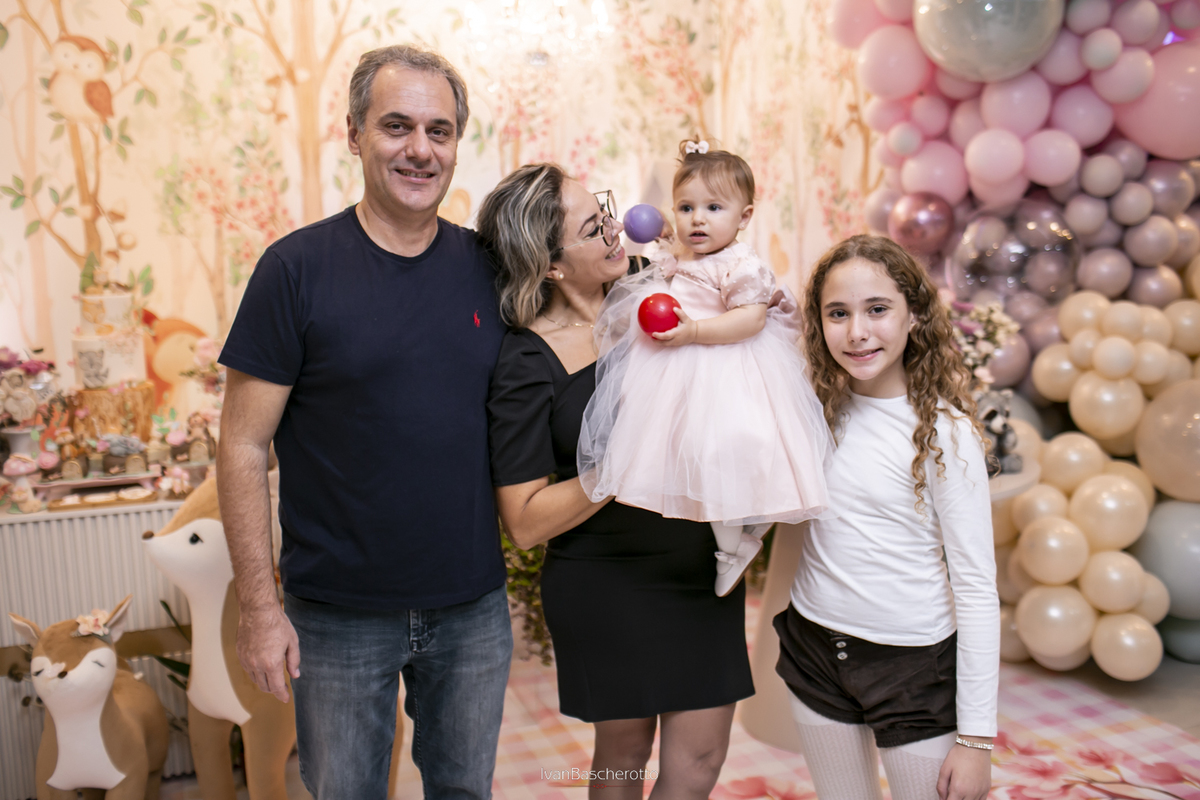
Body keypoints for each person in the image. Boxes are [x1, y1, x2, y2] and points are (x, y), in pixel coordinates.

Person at [215, 45, 511, 800]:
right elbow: (242, 446)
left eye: (439, 131)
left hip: (472, 606)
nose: (420, 150)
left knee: (466, 791)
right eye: (396, 126)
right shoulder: (294, 270)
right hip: (337, 617)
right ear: (354, 134)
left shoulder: (488, 267)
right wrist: (259, 609)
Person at [479, 163, 754, 799]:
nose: (613, 230)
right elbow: (524, 521)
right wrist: (618, 466)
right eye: (591, 227)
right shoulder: (526, 358)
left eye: (604, 212)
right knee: (624, 755)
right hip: (607, 581)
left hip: (701, 565)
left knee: (700, 762)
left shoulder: (661, 284)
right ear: (550, 264)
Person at [775, 235, 998, 800]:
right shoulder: (814, 409)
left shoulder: (946, 433)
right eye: (838, 313)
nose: (857, 332)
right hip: (814, 648)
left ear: (914, 315)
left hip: (912, 667)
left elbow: (975, 587)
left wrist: (976, 739)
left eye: (877, 309)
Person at [577, 138, 833, 596]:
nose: (697, 219)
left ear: (744, 217)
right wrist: (664, 240)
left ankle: (738, 544)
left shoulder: (742, 263)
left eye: (714, 208)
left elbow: (751, 319)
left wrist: (695, 331)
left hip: (729, 367)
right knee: (689, 455)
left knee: (734, 453)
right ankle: (736, 543)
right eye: (686, 207)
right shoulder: (683, 252)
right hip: (679, 366)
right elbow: (670, 261)